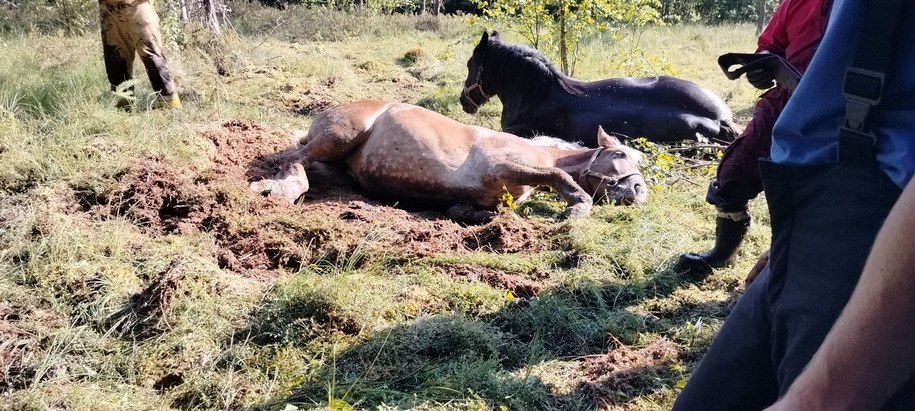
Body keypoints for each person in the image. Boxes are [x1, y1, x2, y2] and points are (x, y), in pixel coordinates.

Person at [673, 0, 915, 409]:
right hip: (811, 203)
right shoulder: (796, 4)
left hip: (887, 220)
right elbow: (775, 50)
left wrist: (820, 398)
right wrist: (790, 241)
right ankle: (724, 248)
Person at [677, 0, 832, 279]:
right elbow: (771, 45)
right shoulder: (796, 2)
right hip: (786, 102)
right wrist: (761, 66)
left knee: (818, 192)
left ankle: (804, 269)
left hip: (847, 112)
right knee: (736, 169)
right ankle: (722, 254)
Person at [99, 0, 181, 110]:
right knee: (115, 61)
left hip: (138, 7)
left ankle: (171, 109)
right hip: (108, 11)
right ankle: (123, 111)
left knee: (153, 60)